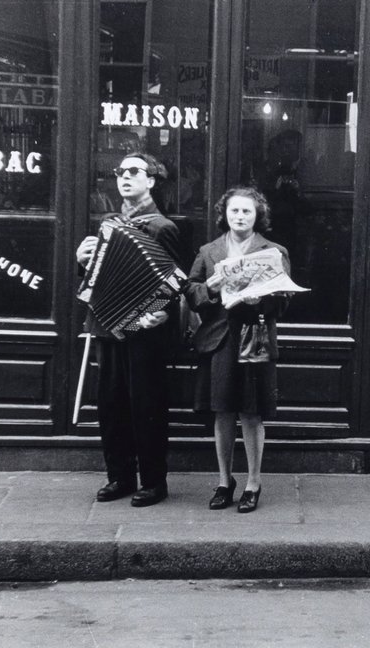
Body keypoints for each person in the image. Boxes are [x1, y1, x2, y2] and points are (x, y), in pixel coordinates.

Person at [75, 152, 185, 507]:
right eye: (120, 171)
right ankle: (119, 477)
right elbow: (99, 278)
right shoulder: (109, 222)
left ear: (151, 181)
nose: (124, 177)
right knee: (110, 405)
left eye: (134, 172)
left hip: (145, 331)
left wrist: (159, 314)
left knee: (146, 406)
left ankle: (154, 482)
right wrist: (83, 263)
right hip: (108, 326)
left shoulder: (163, 227)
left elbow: (173, 284)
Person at [184, 186, 291, 513]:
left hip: (254, 334)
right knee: (223, 410)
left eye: (247, 211)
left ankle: (253, 482)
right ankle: (224, 480)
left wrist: (264, 297)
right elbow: (190, 292)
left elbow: (284, 301)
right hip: (219, 337)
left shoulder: (273, 251)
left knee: (251, 411)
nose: (240, 216)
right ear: (224, 214)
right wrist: (210, 288)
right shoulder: (209, 250)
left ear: (258, 215)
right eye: (234, 211)